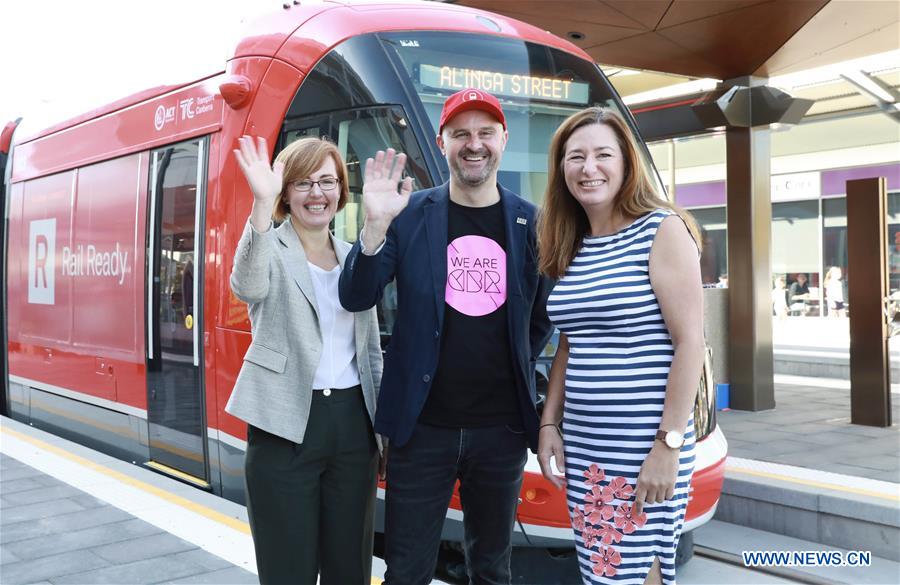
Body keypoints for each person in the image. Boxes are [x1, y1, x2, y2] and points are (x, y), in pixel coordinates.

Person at [339, 88, 554, 585]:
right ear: (442, 143)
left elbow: (540, 317)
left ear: (503, 139)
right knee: (407, 571)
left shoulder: (531, 223)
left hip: (500, 433)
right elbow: (356, 296)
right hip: (422, 430)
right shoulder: (408, 214)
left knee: (491, 569)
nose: (473, 145)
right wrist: (373, 227)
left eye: (484, 133)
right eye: (460, 134)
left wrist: (514, 361)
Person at [536, 107, 705, 585]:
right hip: (588, 446)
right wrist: (550, 422)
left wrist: (667, 446)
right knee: (602, 572)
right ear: (562, 169)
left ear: (627, 164)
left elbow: (690, 341)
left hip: (643, 444)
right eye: (576, 157)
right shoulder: (571, 242)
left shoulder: (662, 229)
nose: (589, 168)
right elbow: (571, 343)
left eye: (603, 155)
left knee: (638, 573)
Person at [227, 135, 384, 585]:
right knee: (287, 568)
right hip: (285, 424)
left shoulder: (355, 256)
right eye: (303, 183)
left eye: (327, 182)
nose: (317, 193)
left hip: (354, 425)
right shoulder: (268, 248)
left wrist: (383, 427)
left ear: (341, 190)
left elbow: (370, 349)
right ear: (285, 193)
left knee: (349, 567)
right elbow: (248, 286)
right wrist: (260, 204)